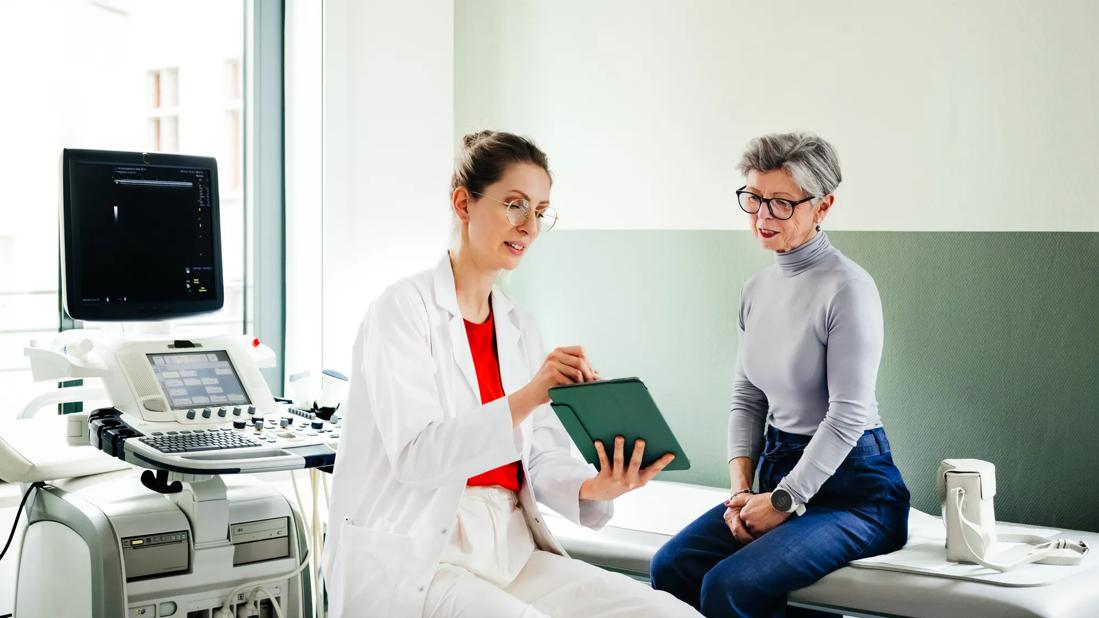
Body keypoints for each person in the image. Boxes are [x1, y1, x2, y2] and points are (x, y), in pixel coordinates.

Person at [324, 130, 699, 617]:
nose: (529, 226)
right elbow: (417, 457)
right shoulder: (402, 309)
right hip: (423, 556)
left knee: (670, 614)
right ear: (463, 203)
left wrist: (595, 487)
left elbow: (540, 456)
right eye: (515, 205)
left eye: (540, 212)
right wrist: (529, 394)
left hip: (509, 548)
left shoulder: (519, 324)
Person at [650, 132, 911, 617]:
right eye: (754, 198)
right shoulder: (757, 289)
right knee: (671, 567)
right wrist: (741, 492)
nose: (763, 216)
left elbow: (848, 414)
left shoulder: (849, 288)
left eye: (782, 203)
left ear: (822, 206)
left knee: (729, 587)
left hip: (855, 493)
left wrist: (785, 500)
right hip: (776, 472)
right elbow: (746, 398)